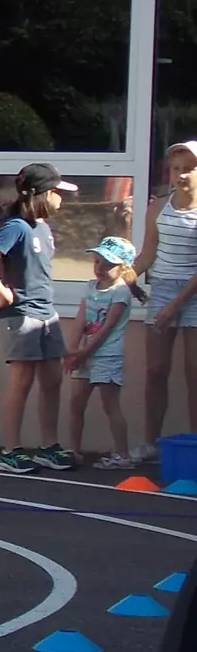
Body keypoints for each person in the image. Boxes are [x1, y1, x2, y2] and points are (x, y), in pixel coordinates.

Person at [0, 162, 77, 475]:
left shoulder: (41, 227)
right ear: (39, 193)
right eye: (57, 192)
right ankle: (10, 451)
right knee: (22, 382)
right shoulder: (15, 226)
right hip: (22, 315)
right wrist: (0, 295)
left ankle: (48, 447)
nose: (61, 199)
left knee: (53, 380)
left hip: (47, 311)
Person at [134, 140, 197, 463]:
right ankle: (150, 443)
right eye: (176, 169)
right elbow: (147, 255)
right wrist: (125, 275)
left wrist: (175, 305)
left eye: (188, 169)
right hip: (162, 288)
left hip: (193, 293)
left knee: (193, 373)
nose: (181, 175)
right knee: (156, 370)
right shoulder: (158, 206)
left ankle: (195, 447)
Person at [64, 236, 139, 469]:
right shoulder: (89, 287)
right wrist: (71, 352)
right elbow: (79, 321)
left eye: (108, 265)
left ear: (123, 267)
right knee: (76, 403)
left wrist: (83, 354)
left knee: (110, 405)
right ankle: (74, 450)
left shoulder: (121, 293)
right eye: (97, 262)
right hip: (85, 355)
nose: (100, 268)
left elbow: (106, 329)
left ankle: (123, 455)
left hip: (107, 356)